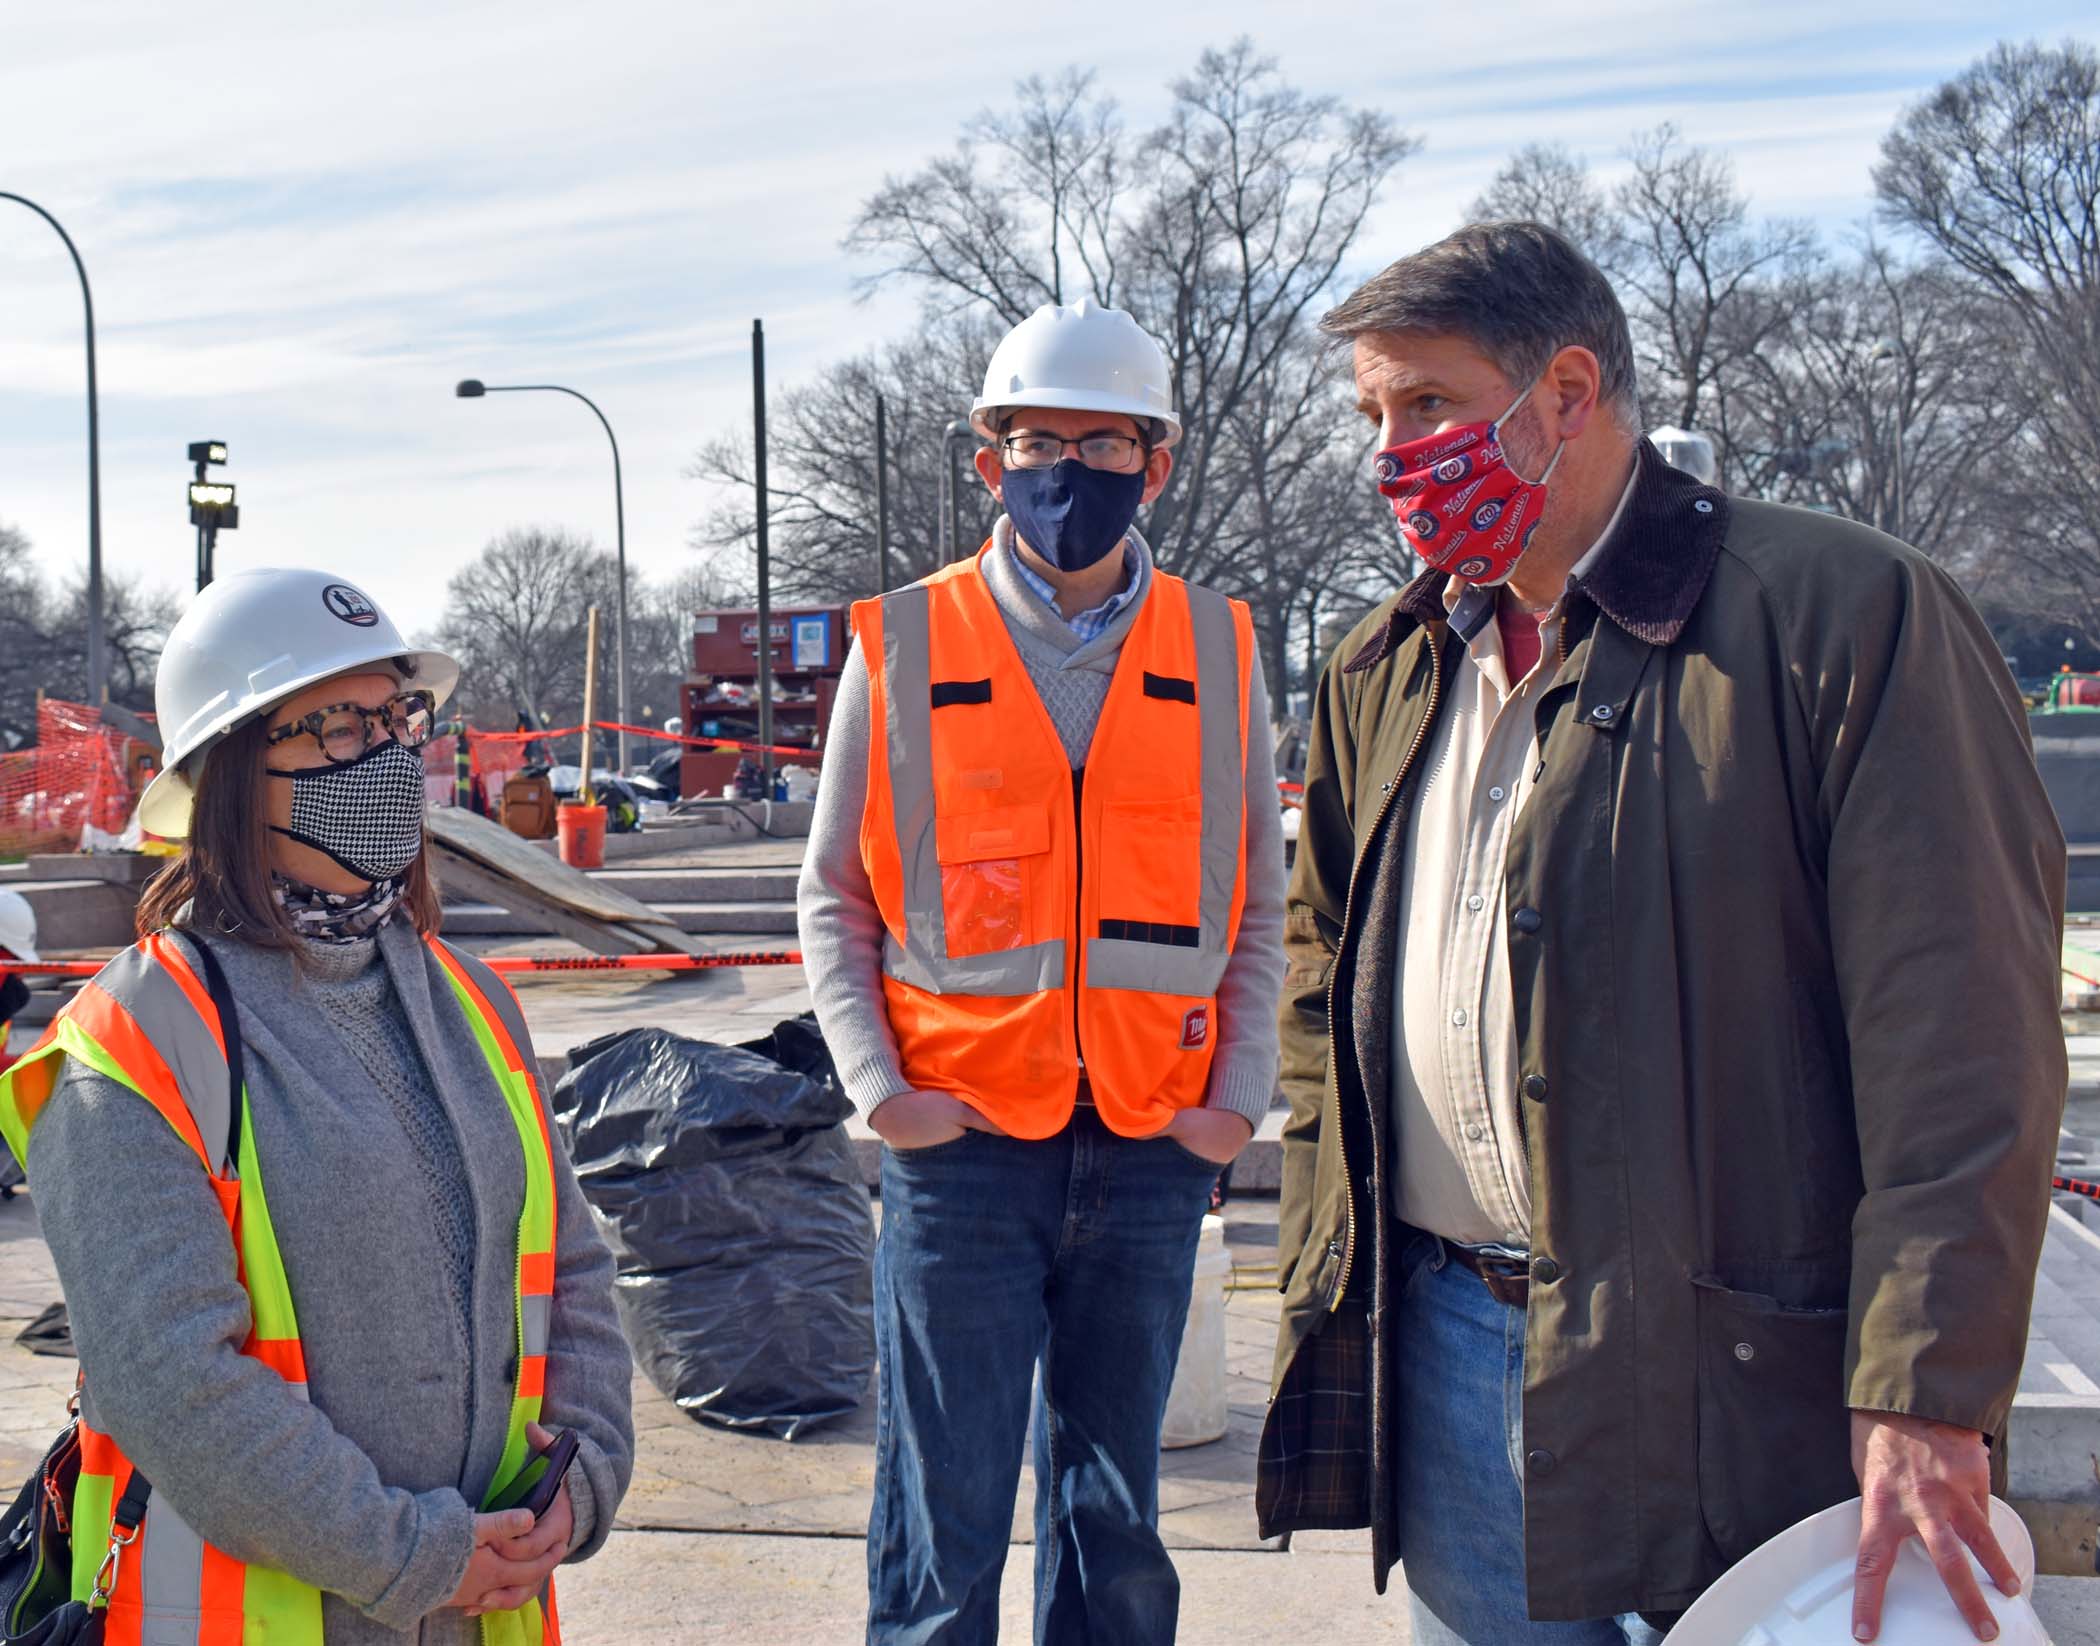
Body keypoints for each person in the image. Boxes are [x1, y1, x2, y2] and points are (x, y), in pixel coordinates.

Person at [1258, 222, 2065, 1643]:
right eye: (1372, 416)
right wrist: (1337, 1266)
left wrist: (1926, 1387)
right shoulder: (1386, 664)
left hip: (1731, 1379)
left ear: (1568, 392)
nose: (1392, 453)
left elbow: (1963, 1037)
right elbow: (1324, 974)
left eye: (1429, 403)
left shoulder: (1841, 620)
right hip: (1444, 1350)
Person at [0, 567, 634, 1644]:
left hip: (484, 1611)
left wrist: (582, 1480)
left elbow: (570, 1269)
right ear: (234, 770)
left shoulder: (475, 1003)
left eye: (397, 715)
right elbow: (176, 1384)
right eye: (338, 725)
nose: (385, 755)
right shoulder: (133, 1043)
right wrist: (412, 1553)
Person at [799, 297, 1287, 1644]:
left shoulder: (1220, 648)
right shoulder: (899, 642)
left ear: (1158, 461)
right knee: (939, 1528)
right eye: (1036, 439)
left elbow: (1256, 908)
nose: (1068, 470)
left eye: (1106, 442)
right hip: (961, 1153)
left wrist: (1233, 1106)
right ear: (987, 457)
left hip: (1150, 1146)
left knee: (1119, 1532)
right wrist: (880, 1097)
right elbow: (835, 893)